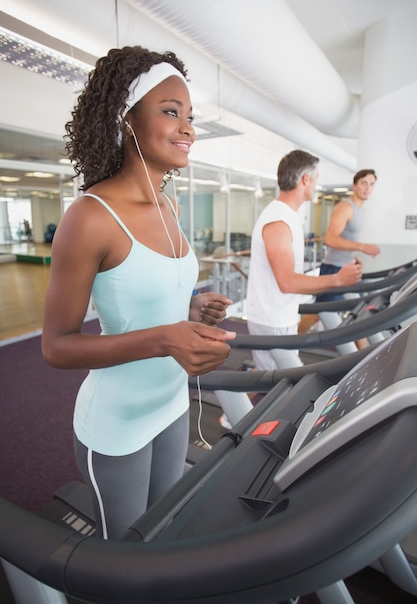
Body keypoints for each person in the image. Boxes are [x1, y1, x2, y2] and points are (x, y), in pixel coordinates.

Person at [41, 46, 236, 540]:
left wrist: (194, 310)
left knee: (163, 529)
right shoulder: (89, 217)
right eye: (171, 112)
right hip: (117, 418)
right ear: (125, 119)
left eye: (190, 116)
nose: (188, 128)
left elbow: (151, 299)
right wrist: (165, 338)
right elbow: (56, 346)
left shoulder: (169, 206)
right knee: (123, 558)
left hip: (171, 404)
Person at [246, 149, 362, 371]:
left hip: (279, 316)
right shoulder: (278, 221)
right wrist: (337, 280)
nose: (316, 184)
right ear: (305, 179)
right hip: (273, 320)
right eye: (316, 179)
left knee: (271, 379)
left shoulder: (287, 215)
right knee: (283, 382)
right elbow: (287, 282)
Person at [316, 169, 380, 303]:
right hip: (334, 267)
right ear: (355, 185)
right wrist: (362, 247)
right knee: (319, 312)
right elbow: (330, 239)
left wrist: (353, 256)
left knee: (360, 305)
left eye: (371, 184)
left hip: (348, 266)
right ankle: (299, 325)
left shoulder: (359, 209)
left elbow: (348, 238)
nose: (368, 188)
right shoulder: (345, 208)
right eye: (364, 183)